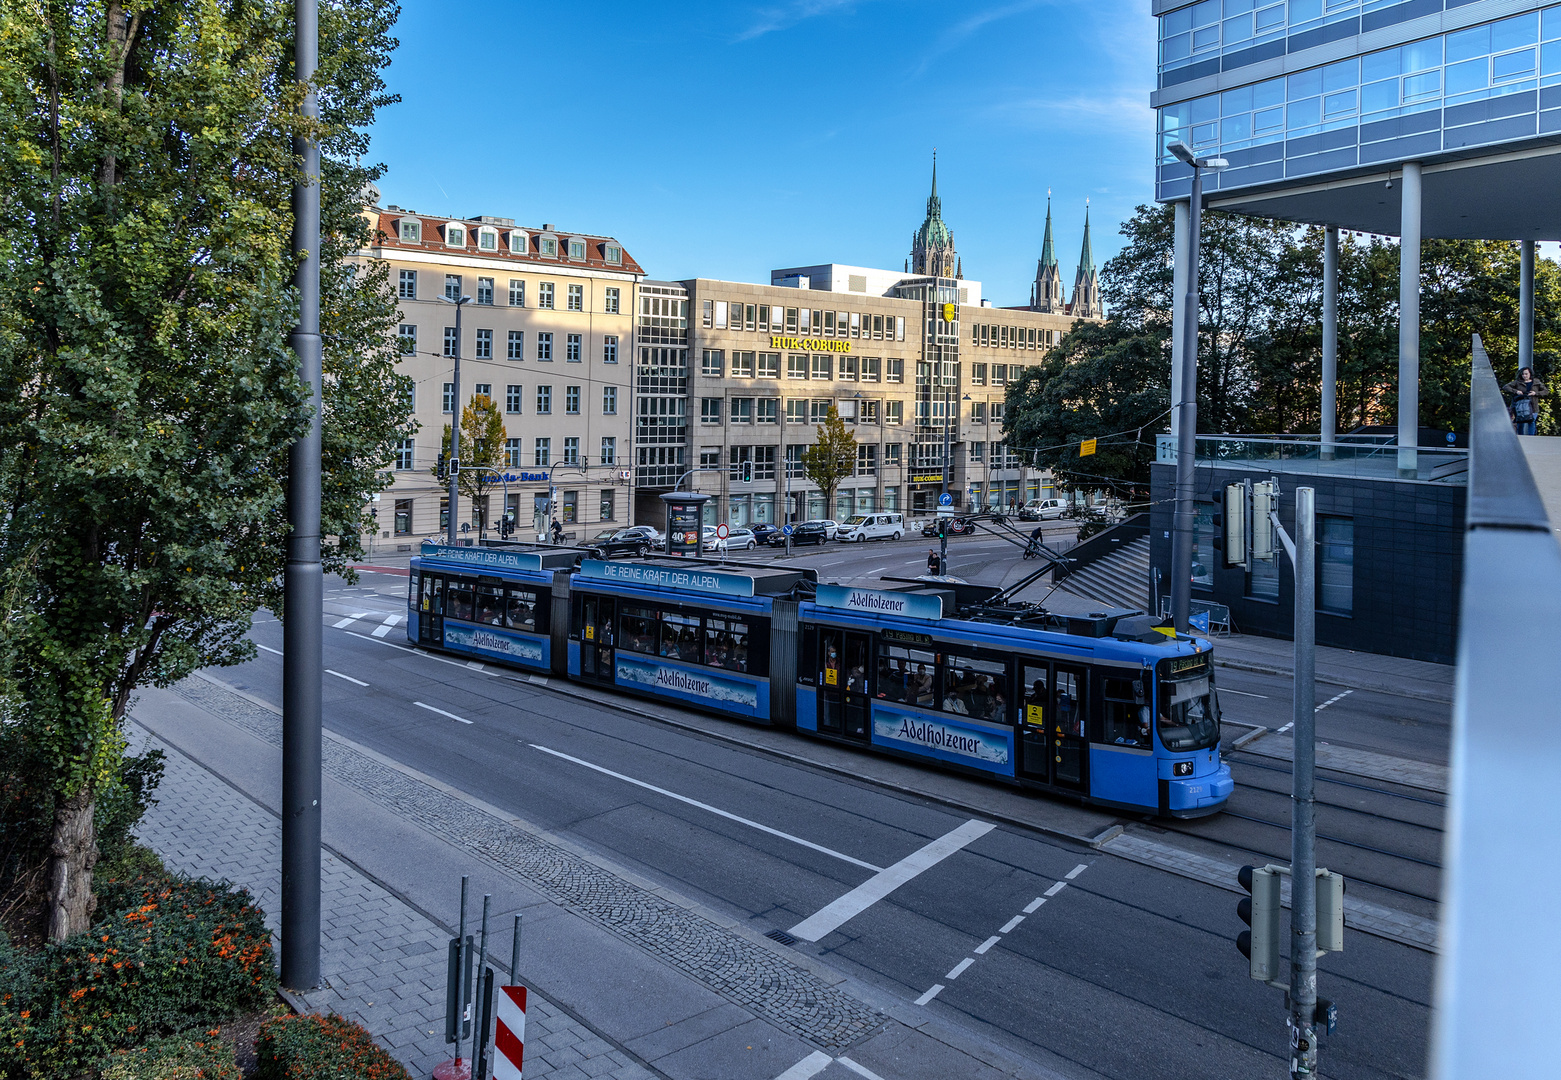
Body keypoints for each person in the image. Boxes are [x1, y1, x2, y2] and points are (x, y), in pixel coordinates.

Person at [1502, 366, 1547, 436]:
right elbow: (1506, 387)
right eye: (1523, 374)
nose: (1524, 376)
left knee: (1532, 422)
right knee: (1520, 423)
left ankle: (1531, 438)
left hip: (1533, 406)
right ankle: (1521, 438)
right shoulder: (1517, 382)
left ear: (1530, 374)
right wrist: (1516, 391)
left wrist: (1535, 393)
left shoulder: (1536, 382)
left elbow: (1545, 391)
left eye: (1526, 374)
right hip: (1520, 406)